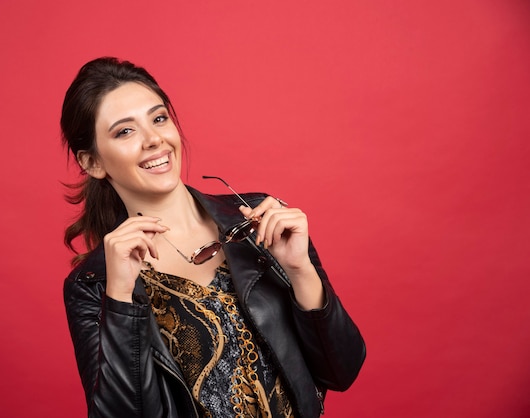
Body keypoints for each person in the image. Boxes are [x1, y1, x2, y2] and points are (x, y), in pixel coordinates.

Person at [60, 57, 365, 418]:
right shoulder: (95, 283)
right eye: (125, 131)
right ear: (92, 162)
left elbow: (341, 371)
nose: (154, 139)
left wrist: (300, 270)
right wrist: (121, 301)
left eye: (159, 119)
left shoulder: (258, 222)